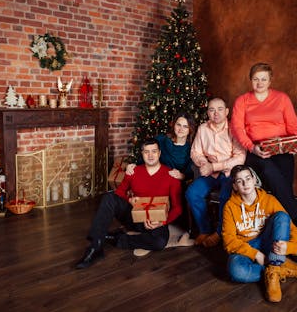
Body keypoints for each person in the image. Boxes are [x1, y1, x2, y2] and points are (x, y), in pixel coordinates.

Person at [231, 62, 297, 264]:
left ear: (270, 80)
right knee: (268, 170)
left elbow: (293, 125)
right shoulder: (243, 101)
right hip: (256, 150)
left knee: (283, 184)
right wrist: (252, 147)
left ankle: (290, 244)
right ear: (251, 80)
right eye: (256, 79)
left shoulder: (282, 98)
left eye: (264, 79)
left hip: (281, 148)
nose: (260, 82)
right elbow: (238, 129)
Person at [75, 138, 182, 269]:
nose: (150, 155)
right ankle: (95, 247)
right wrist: (130, 200)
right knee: (109, 197)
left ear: (159, 153)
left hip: (156, 221)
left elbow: (178, 208)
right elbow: (119, 192)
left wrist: (162, 222)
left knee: (159, 243)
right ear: (142, 154)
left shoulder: (171, 175)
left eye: (154, 151)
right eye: (146, 152)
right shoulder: (134, 171)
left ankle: (115, 239)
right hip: (134, 216)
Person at [222, 165, 297, 303]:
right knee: (236, 271)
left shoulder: (269, 199)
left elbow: (292, 228)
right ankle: (280, 268)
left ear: (254, 179)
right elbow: (228, 241)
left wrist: (290, 248)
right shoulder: (230, 206)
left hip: (268, 240)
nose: (245, 184)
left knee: (282, 216)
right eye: (240, 181)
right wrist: (255, 254)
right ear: (234, 186)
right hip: (246, 246)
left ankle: (273, 270)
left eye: (248, 178)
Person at [185, 97, 246, 247]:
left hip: (228, 173)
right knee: (192, 193)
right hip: (209, 173)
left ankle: (219, 232)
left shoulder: (234, 129)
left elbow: (240, 157)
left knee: (226, 196)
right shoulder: (202, 128)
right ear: (208, 113)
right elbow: (195, 152)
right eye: (211, 110)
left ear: (226, 112)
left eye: (219, 109)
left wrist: (214, 166)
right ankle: (205, 229)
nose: (216, 113)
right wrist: (204, 163)